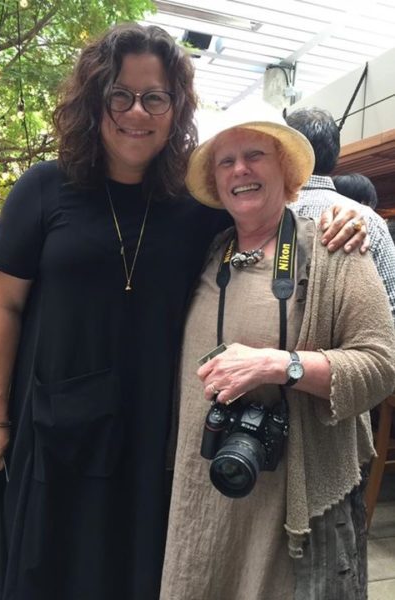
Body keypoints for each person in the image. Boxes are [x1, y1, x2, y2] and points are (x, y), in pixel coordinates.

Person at [0, 24, 370, 600]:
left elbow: (262, 209)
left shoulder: (191, 203)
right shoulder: (42, 189)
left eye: (155, 97)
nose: (138, 111)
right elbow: (2, 307)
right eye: (121, 95)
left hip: (154, 430)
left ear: (175, 108)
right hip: (57, 426)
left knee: (139, 571)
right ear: (95, 100)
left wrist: (335, 217)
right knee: (49, 568)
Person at [159, 103, 395, 600]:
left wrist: (277, 364)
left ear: (286, 168)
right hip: (208, 487)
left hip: (292, 495)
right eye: (226, 161)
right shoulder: (212, 249)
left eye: (255, 155)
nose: (240, 170)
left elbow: (381, 364)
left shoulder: (333, 249)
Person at [286, 107, 395, 322]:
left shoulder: (260, 214)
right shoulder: (368, 221)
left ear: (287, 151)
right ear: (336, 154)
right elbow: (391, 306)